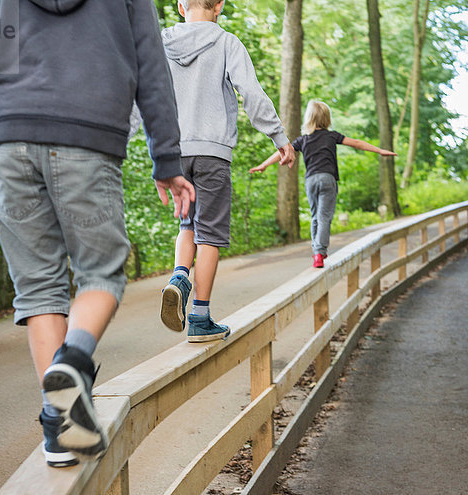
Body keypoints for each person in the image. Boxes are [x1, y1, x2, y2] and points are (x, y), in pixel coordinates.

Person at [0, 0, 194, 467]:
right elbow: (151, 67)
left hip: (12, 139)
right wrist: (168, 161)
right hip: (91, 138)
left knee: (37, 289)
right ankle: (73, 361)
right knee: (101, 275)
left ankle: (57, 430)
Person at [156, 0, 295, 343]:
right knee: (210, 235)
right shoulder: (226, 41)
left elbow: (143, 93)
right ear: (218, 5)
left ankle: (178, 278)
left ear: (179, 6)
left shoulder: (160, 41)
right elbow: (251, 94)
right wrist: (279, 137)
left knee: (186, 224)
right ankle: (200, 317)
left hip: (174, 152)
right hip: (213, 153)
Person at [250, 99, 397, 268]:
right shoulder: (332, 136)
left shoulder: (303, 139)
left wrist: (264, 165)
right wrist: (379, 150)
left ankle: (317, 252)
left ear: (309, 119)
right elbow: (357, 143)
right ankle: (320, 252)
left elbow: (283, 151)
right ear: (327, 118)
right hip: (327, 179)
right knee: (324, 217)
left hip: (311, 180)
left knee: (315, 216)